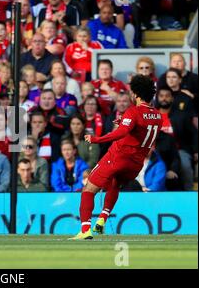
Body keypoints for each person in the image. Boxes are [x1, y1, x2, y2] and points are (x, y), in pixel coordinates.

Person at [70, 75, 163, 240]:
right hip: (135, 164)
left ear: (135, 94)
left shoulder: (133, 111)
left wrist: (96, 139)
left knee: (88, 190)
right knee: (115, 184)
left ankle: (85, 230)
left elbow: (122, 133)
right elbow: (141, 129)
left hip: (118, 158)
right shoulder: (157, 116)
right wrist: (124, 121)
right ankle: (101, 221)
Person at [156, 86, 198, 191]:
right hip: (157, 150)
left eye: (167, 96)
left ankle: (189, 192)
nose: (164, 98)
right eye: (161, 96)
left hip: (180, 150)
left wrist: (196, 151)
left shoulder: (181, 115)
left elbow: (194, 133)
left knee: (185, 165)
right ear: (157, 98)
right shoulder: (152, 116)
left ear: (172, 98)